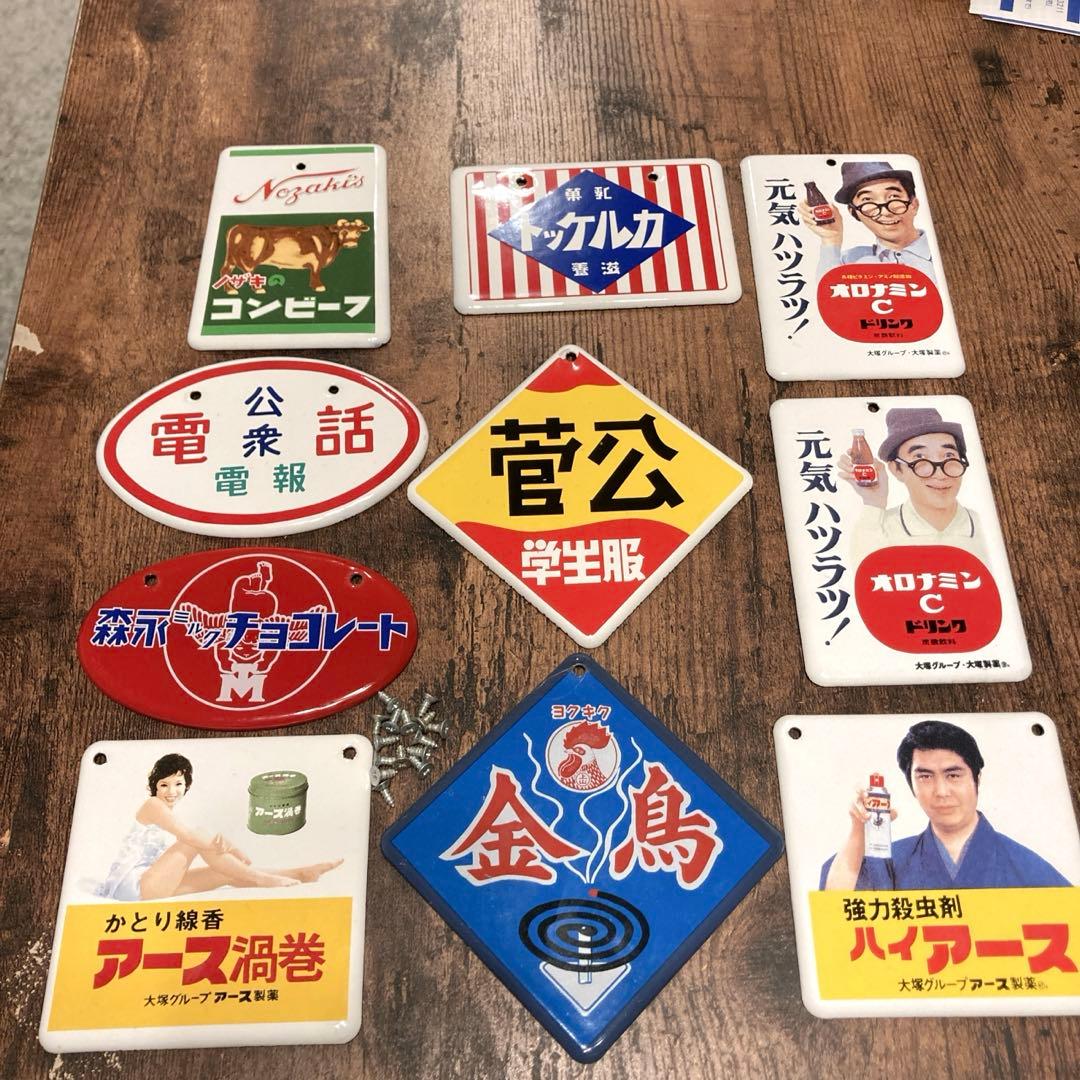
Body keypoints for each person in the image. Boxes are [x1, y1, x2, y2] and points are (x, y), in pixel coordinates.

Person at [820, 721, 1069, 890]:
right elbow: (836, 906)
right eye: (925, 777)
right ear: (911, 785)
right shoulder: (893, 861)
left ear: (977, 779)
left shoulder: (1027, 867)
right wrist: (860, 828)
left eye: (953, 775)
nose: (941, 792)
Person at [98, 753, 342, 900]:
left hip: (155, 882)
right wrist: (233, 849)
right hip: (135, 886)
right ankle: (261, 879)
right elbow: (191, 837)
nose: (171, 791)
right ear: (155, 786)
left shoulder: (166, 810)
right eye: (164, 785)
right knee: (197, 835)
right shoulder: (153, 805)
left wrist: (225, 848)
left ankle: (300, 873)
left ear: (186, 785)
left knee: (224, 873)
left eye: (178, 784)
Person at [838, 406, 990, 567]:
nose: (940, 474)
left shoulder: (985, 525)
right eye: (920, 457)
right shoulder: (878, 527)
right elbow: (864, 572)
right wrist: (874, 502)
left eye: (949, 455)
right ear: (896, 469)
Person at [798, 160, 937, 284]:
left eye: (894, 196)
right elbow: (828, 296)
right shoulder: (849, 261)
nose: (885, 212)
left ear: (914, 205)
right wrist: (831, 238)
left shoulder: (938, 251)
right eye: (867, 200)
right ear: (854, 212)